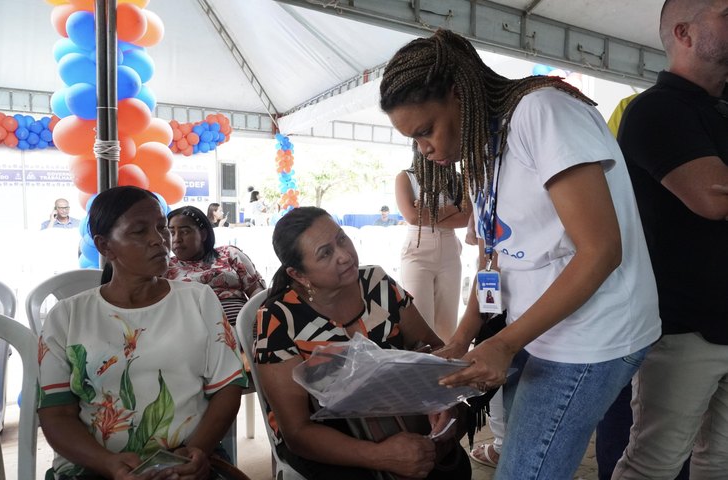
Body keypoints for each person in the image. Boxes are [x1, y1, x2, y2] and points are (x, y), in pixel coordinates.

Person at [380, 29, 661, 479]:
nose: (423, 149)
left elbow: (601, 250)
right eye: (413, 140)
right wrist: (461, 339)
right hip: (538, 329)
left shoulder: (543, 113)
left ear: (459, 95)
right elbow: (494, 261)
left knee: (524, 471)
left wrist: (504, 343)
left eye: (425, 131)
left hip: (594, 334)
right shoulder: (479, 150)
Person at [38, 186, 247, 479]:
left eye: (162, 228)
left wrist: (196, 451)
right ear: (105, 246)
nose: (159, 240)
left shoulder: (198, 300)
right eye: (139, 231)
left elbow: (227, 387)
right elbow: (56, 413)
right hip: (95, 466)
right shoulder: (67, 316)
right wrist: (108, 463)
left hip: (190, 458)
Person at [255, 206, 471, 480]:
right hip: (328, 437)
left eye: (342, 238)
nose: (344, 256)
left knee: (450, 466)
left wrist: (441, 403)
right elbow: (297, 432)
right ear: (298, 274)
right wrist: (382, 455)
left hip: (397, 414)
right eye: (326, 253)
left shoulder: (377, 284)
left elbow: (433, 350)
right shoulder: (278, 320)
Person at [611, 1, 728, 478]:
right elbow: (713, 197)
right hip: (682, 327)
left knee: (719, 459)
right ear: (684, 32)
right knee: (653, 462)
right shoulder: (657, 109)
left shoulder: (718, 111)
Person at [395, 161, 470, 342]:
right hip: (418, 250)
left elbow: (467, 218)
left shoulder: (457, 179)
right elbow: (413, 217)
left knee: (448, 324)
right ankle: (424, 368)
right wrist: (454, 209)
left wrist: (427, 213)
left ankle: (445, 368)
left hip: (449, 250)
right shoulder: (406, 177)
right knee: (421, 322)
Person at [164, 205, 266, 326]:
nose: (177, 239)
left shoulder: (229, 254)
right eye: (171, 232)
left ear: (203, 234)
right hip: (194, 334)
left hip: (246, 331)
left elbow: (257, 292)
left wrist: (253, 323)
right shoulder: (165, 268)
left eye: (185, 231)